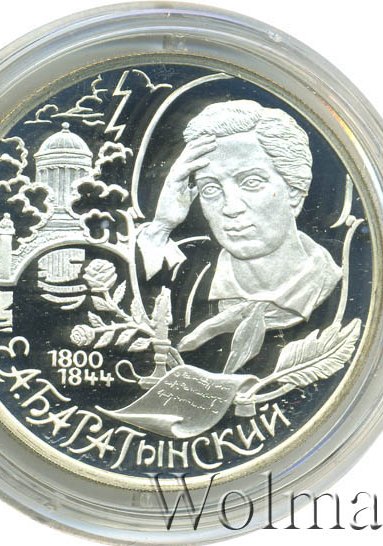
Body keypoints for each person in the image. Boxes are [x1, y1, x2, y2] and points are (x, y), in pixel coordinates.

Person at [138, 100, 342, 373]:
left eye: (251, 182)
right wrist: (162, 225)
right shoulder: (188, 273)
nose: (231, 208)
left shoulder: (337, 288)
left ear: (295, 191)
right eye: (211, 189)